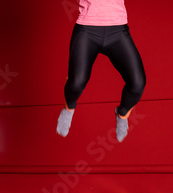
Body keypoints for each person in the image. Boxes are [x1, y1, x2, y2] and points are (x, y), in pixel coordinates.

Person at [56, 0, 146, 142]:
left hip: (117, 30)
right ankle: (69, 108)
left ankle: (122, 114)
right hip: (87, 29)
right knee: (77, 82)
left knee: (138, 83)